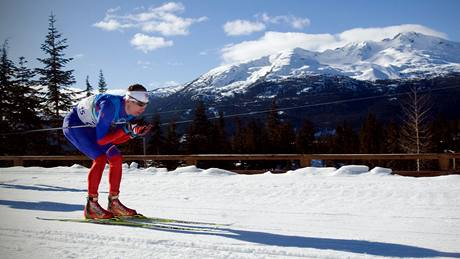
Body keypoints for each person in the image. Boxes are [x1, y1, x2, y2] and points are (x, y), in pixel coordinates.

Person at [63, 84, 152, 219]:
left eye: (146, 104)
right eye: (140, 104)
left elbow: (114, 140)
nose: (143, 108)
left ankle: (114, 203)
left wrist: (132, 133)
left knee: (116, 157)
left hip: (94, 126)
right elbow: (102, 141)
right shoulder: (110, 106)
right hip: (75, 125)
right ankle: (91, 206)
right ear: (128, 100)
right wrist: (126, 130)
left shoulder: (130, 112)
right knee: (100, 158)